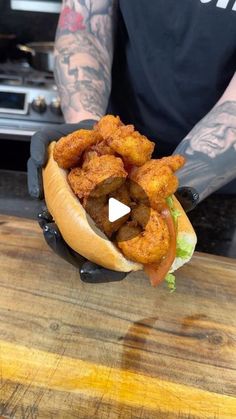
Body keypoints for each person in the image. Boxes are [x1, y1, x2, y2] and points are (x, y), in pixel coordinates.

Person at [27, 0, 236, 281]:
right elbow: (85, 25)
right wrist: (87, 130)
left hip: (219, 181)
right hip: (116, 140)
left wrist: (168, 191)